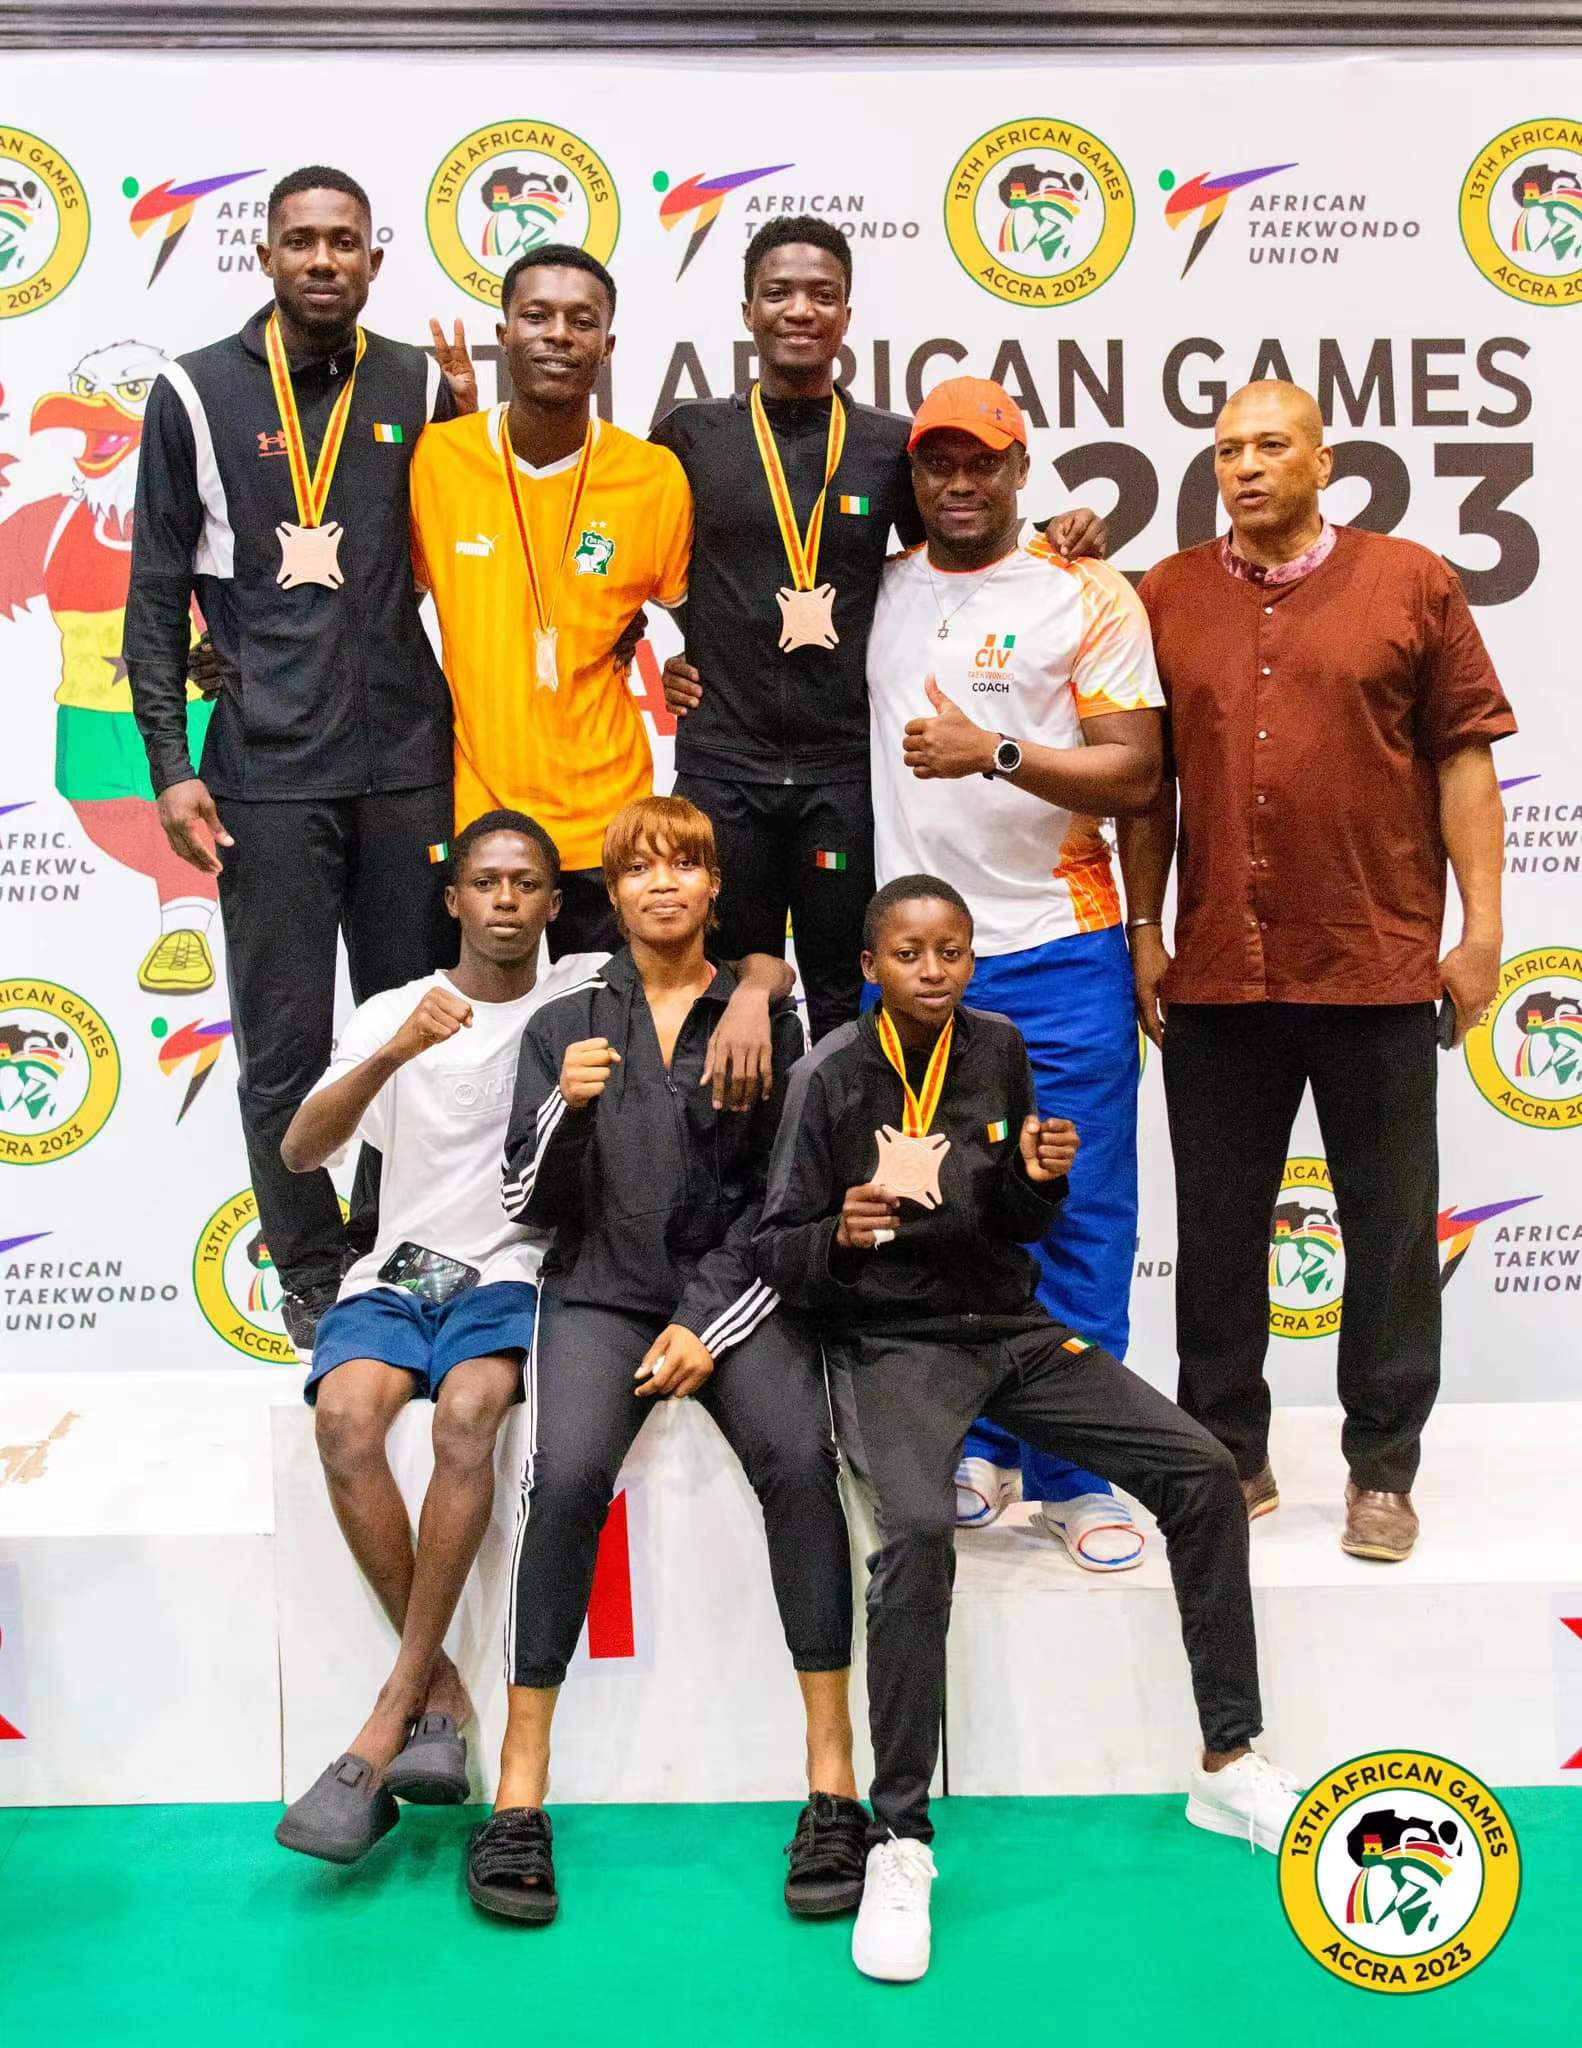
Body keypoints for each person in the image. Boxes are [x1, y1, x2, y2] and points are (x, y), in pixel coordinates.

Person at [755, 876, 1302, 1983]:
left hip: (1009, 1329)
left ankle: (1226, 1760)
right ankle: (900, 1838)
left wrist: (1037, 1182)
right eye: (910, 952)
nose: (933, 969)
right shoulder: (829, 1075)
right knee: (917, 1531)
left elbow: (1009, 1216)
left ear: (972, 958)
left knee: (1201, 1469)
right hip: (891, 1345)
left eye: (951, 950)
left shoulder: (998, 1046)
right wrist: (840, 1236)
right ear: (869, 965)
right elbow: (776, 1250)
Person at [1123, 380, 1515, 1562]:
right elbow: (1146, 786)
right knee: (1216, 1232)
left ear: (1321, 460)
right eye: (1225, 450)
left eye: (1269, 445)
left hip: (1374, 963)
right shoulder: (1164, 594)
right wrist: (1143, 926)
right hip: (1217, 973)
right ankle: (1225, 1456)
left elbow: (1464, 763)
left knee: (1389, 1232)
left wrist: (1481, 930)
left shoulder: (1411, 582)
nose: (1244, 466)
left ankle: (1382, 1469)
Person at [471, 796, 863, 1926]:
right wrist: (565, 1108)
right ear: (611, 891)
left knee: (802, 1463)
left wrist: (705, 1324)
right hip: (598, 1292)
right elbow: (523, 1198)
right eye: (639, 868)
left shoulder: (768, 1017)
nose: (662, 885)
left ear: (713, 887)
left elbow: (788, 1203)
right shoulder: (567, 1018)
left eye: (683, 865)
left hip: (732, 1292)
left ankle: (832, 1779)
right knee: (564, 1479)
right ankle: (519, 1792)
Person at [125, 165, 478, 1358]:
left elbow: (491, 545)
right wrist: (170, 761)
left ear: (374, 258)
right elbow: (154, 590)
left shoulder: (417, 383)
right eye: (301, 240)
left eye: (343, 241)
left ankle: (395, 1244)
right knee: (281, 1047)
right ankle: (315, 1273)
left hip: (405, 765)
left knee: (413, 1030)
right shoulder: (194, 389)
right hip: (264, 772)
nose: (323, 259)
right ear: (265, 255)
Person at [653, 214, 1103, 1042]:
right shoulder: (690, 435)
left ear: (847, 316)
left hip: (846, 772)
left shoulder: (888, 447)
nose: (800, 310)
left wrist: (1055, 533)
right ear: (748, 311)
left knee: (846, 997)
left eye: (822, 295)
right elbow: (624, 550)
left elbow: (963, 551)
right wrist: (656, 645)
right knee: (716, 987)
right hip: (724, 763)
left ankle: (839, 1133)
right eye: (778, 293)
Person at [868, 376, 1165, 1571]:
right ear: (914, 475)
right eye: (937, 461)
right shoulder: (878, 587)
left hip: (1057, 944)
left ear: (1019, 469)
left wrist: (991, 750)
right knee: (940, 1216)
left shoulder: (1084, 591)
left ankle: (1078, 1473)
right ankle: (980, 1443)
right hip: (913, 969)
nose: (959, 482)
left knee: (1076, 1209)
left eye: (981, 461)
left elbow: (1135, 772)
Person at [271, 810, 592, 1864]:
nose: (506, 899)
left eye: (527, 883)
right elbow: (301, 1147)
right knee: (344, 1421)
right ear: (452, 899)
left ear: (554, 902)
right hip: (403, 1267)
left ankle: (384, 1719)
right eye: (486, 881)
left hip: (511, 1265)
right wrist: (396, 1052)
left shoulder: (583, 991)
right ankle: (441, 1692)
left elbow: (718, 966)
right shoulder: (393, 1009)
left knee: (470, 1412)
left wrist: (766, 986)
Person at [410, 246, 692, 960]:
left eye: (581, 321)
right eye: (537, 316)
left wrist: (691, 671)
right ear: (503, 334)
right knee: (477, 1026)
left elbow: (711, 619)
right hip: (479, 824)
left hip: (610, 824)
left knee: (605, 1029)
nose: (559, 334)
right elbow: (370, 605)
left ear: (608, 346)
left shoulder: (653, 477)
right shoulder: (437, 460)